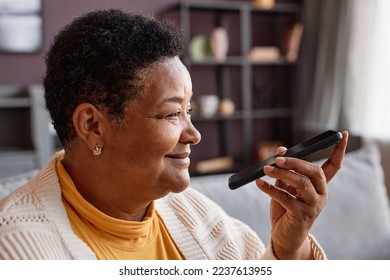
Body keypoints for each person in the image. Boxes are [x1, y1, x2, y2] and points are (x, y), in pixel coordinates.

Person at [0, 9, 348, 260]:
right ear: (92, 125)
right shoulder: (18, 248)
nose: (194, 134)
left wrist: (289, 251)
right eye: (172, 113)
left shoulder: (190, 211)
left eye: (189, 111)